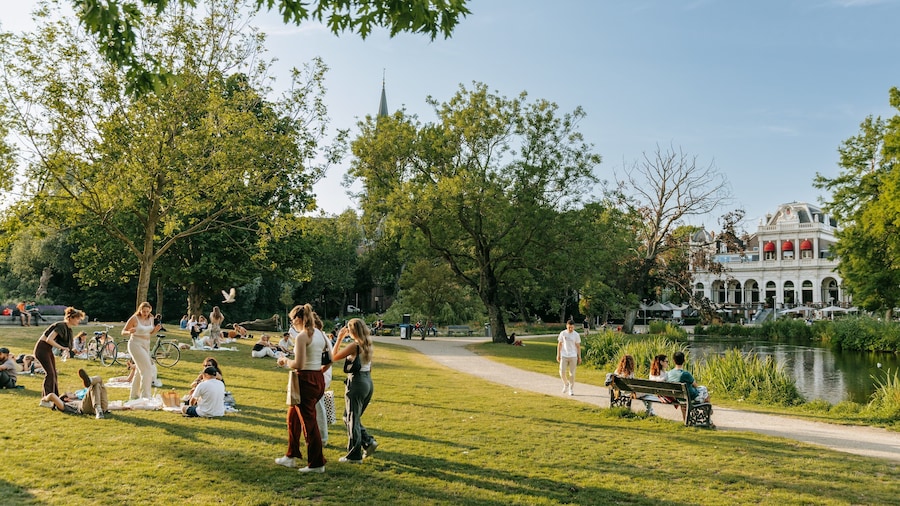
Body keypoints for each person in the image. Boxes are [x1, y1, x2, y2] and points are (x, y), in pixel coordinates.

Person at [275, 303, 327, 473]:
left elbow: (298, 363)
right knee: (293, 417)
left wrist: (285, 361)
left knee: (309, 423)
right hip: (317, 377)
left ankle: (317, 463)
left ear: (298, 319)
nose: (292, 324)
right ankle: (291, 455)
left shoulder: (302, 336)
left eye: (292, 321)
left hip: (306, 380)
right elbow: (331, 357)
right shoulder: (321, 333)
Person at [332, 317, 378, 464]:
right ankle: (368, 441)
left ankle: (354, 455)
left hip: (357, 382)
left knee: (351, 419)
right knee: (350, 417)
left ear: (351, 331)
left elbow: (333, 357)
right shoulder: (368, 343)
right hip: (367, 382)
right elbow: (369, 366)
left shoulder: (355, 346)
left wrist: (339, 339)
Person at [33, 306, 85, 398]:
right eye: (77, 318)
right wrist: (62, 348)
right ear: (70, 318)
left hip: (48, 350)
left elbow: (66, 344)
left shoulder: (68, 329)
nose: (79, 321)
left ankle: (55, 397)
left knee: (54, 374)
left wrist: (67, 350)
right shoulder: (61, 325)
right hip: (42, 349)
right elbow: (49, 339)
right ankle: (47, 398)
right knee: (50, 373)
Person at [121, 302, 162, 400]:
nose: (145, 313)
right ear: (140, 310)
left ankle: (134, 395)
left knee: (140, 370)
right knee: (147, 369)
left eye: (147, 311)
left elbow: (149, 333)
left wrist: (155, 330)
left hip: (146, 344)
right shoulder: (134, 318)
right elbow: (123, 332)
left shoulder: (151, 319)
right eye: (143, 311)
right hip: (135, 344)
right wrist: (129, 332)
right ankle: (146, 396)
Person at [41, 368, 108, 419]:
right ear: (66, 398)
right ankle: (98, 410)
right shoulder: (66, 405)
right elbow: (52, 395)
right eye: (70, 393)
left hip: (103, 407)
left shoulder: (78, 399)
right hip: (84, 408)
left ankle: (90, 381)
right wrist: (45, 398)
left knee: (98, 382)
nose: (72, 393)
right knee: (93, 386)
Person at [667, 351, 710, 419]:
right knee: (704, 389)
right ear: (684, 360)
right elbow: (696, 385)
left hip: (677, 397)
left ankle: (686, 419)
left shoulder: (669, 373)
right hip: (690, 397)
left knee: (702, 390)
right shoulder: (685, 374)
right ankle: (707, 411)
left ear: (673, 361)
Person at [313, 313, 333, 446]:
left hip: (320, 375)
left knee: (319, 407)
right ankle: (319, 435)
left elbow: (328, 360)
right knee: (317, 407)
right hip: (321, 374)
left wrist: (318, 373)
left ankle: (322, 438)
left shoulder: (320, 337)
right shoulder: (321, 336)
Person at [556, 319, 581, 396]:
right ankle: (566, 383)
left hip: (573, 356)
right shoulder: (563, 333)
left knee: (572, 374)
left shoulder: (576, 335)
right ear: (567, 326)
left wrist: (579, 356)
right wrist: (558, 355)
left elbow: (578, 346)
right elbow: (559, 344)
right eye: (569, 327)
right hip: (564, 355)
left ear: (574, 327)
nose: (570, 329)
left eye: (572, 328)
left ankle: (571, 388)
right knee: (562, 372)